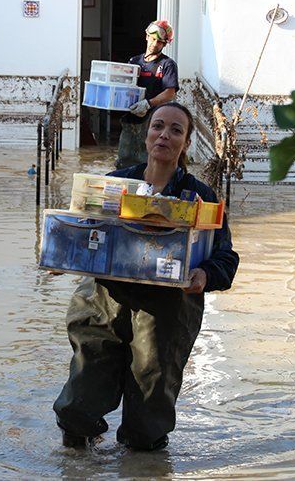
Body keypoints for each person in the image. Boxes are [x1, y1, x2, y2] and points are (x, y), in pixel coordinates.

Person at [54, 102, 240, 451]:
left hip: (165, 313)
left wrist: (203, 275)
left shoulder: (201, 197)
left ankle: (143, 467)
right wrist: (61, 254)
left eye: (175, 130)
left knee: (148, 417)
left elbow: (226, 257)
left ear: (186, 143)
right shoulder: (112, 185)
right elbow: (80, 233)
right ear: (146, 134)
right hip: (103, 301)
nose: (164, 135)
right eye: (158, 126)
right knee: (80, 402)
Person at [116, 20, 179, 169]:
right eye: (152, 38)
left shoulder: (167, 64)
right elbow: (124, 86)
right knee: (124, 158)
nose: (154, 43)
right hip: (131, 118)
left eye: (159, 42)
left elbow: (170, 92)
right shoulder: (134, 61)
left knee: (148, 160)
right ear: (146, 37)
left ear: (164, 44)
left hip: (153, 120)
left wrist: (148, 104)